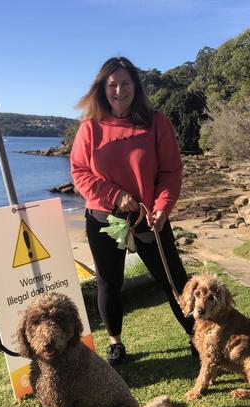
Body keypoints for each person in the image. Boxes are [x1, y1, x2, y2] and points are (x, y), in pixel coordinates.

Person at [70, 56, 195, 366]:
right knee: (109, 284)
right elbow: (80, 172)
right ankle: (116, 344)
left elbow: (170, 172)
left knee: (174, 281)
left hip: (151, 219)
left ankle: (198, 337)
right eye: (112, 85)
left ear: (136, 87)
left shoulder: (157, 122)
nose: (118, 90)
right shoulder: (90, 128)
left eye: (125, 83)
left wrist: (162, 208)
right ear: (102, 89)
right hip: (105, 219)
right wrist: (114, 195)